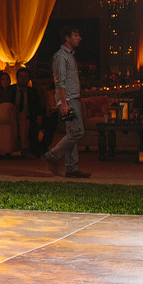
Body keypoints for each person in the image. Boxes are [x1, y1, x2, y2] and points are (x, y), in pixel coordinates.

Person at [43, 26, 89, 178]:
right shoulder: (61, 56)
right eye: (76, 35)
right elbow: (59, 82)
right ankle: (52, 155)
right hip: (68, 100)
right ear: (67, 38)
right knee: (78, 132)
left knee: (72, 132)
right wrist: (64, 103)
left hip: (71, 99)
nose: (79, 38)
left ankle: (71, 168)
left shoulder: (69, 55)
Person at [9, 67, 47, 157]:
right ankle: (24, 146)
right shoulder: (11, 90)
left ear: (28, 79)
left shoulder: (32, 92)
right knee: (23, 117)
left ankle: (38, 147)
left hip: (29, 117)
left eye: (25, 77)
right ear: (17, 78)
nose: (23, 79)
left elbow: (38, 105)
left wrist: (39, 115)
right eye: (21, 77)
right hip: (13, 117)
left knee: (47, 120)